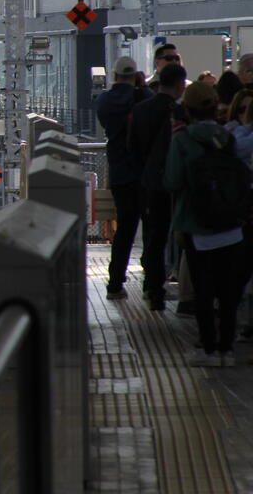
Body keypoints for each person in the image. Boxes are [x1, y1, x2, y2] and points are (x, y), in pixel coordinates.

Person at [164, 82, 252, 367]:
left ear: (187, 108)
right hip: (230, 224)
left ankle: (208, 349)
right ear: (215, 106)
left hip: (196, 223)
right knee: (227, 291)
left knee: (203, 289)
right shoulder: (227, 137)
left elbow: (172, 181)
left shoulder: (183, 139)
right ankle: (226, 349)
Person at [127, 62, 187, 311]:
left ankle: (154, 288)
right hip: (179, 184)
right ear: (180, 85)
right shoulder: (180, 112)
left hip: (150, 182)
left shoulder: (140, 110)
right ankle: (185, 288)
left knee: (154, 236)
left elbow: (132, 147)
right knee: (183, 235)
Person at [96, 56, 153, 299]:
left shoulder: (104, 101)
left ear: (115, 76)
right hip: (146, 173)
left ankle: (115, 282)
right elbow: (153, 106)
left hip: (120, 172)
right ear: (136, 75)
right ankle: (151, 283)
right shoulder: (143, 97)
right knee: (153, 228)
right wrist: (142, 87)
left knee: (125, 229)